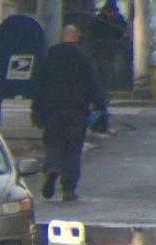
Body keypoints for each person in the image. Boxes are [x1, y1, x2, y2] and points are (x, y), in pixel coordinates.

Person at [31, 25, 107, 202]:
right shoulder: (84, 57)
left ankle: (52, 168)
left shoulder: (50, 56)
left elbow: (39, 85)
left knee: (53, 144)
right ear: (76, 38)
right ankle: (68, 189)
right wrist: (101, 106)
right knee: (73, 149)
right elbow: (93, 85)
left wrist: (36, 111)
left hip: (52, 110)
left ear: (61, 37)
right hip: (76, 111)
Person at [90, 0, 129, 91]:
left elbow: (123, 35)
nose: (111, 14)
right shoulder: (98, 21)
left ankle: (119, 88)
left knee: (118, 68)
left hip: (116, 49)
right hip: (101, 50)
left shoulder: (120, 20)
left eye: (113, 12)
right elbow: (93, 36)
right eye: (109, 12)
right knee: (103, 68)